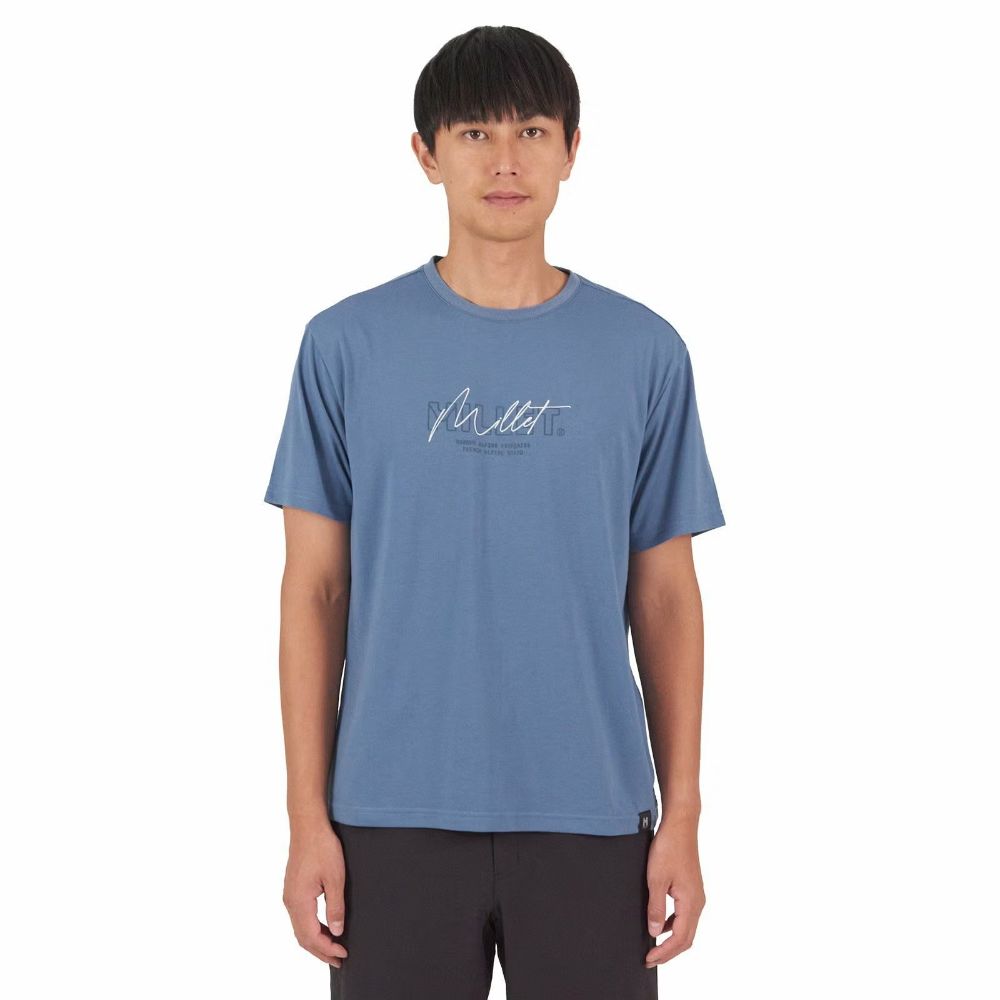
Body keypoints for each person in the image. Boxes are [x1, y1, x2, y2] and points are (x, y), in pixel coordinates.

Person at [264, 24, 726, 1000]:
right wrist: (307, 817)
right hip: (386, 816)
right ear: (426, 153)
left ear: (571, 149)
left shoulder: (643, 352)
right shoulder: (345, 346)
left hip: (593, 813)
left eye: (531, 131)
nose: (505, 160)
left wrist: (682, 814)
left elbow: (667, 598)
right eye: (475, 132)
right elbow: (315, 591)